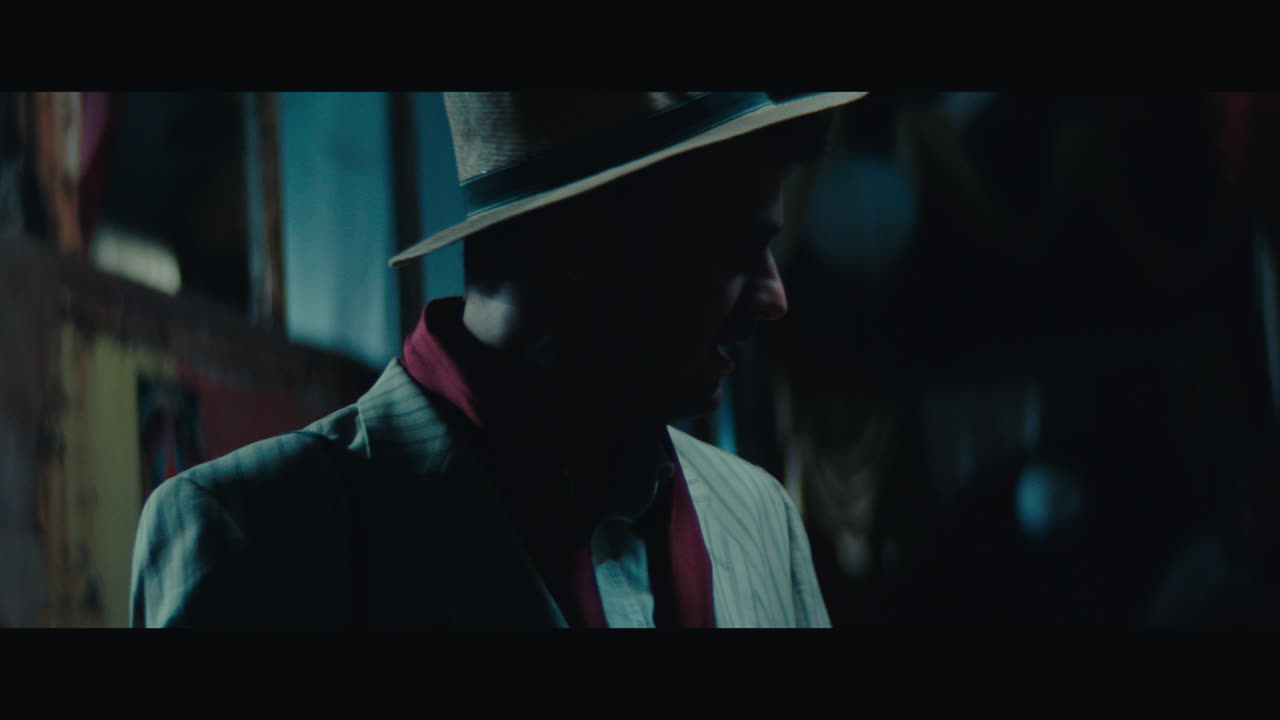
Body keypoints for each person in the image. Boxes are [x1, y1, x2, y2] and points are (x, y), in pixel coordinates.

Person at [129, 91, 866, 627]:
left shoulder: (762, 518)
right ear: (584, 248)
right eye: (737, 251)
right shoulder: (253, 534)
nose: (774, 298)